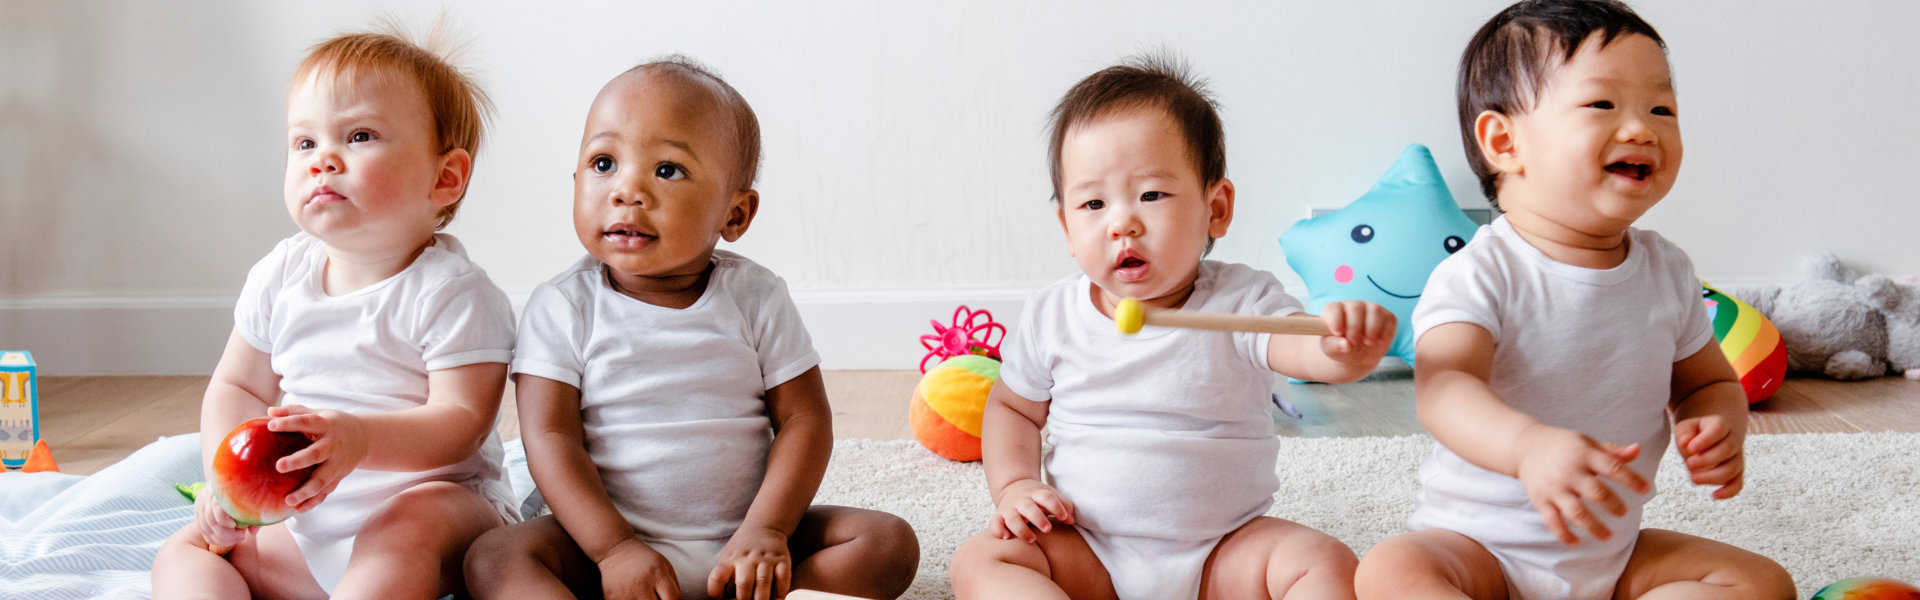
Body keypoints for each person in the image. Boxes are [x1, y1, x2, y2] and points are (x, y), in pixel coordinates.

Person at [1353, 2, 1795, 598]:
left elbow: (1705, 382)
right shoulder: (1479, 273)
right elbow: (1445, 387)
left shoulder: (1666, 270)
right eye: (1601, 104)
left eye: (1661, 108)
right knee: (1391, 571)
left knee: (1763, 583)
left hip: (1609, 555)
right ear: (1504, 142)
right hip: (1477, 550)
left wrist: (1715, 423)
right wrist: (1527, 447)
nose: (1642, 128)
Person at [462, 57, 919, 600]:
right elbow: (549, 436)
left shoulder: (756, 296)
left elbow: (804, 419)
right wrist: (614, 549)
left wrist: (767, 529)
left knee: (887, 543)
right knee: (493, 559)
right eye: (603, 163)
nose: (626, 190)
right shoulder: (563, 305)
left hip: (742, 544)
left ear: (735, 214)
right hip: (607, 546)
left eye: (668, 170)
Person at [948, 53, 1398, 600]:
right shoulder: (1053, 315)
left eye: (1151, 195)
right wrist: (1016, 485)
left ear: (1216, 208)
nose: (1122, 223)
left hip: (1224, 552)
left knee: (1322, 563)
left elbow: (1296, 346)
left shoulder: (1240, 299)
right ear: (1067, 226)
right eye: (1093, 203)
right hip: (1086, 547)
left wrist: (1343, 347)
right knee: (981, 561)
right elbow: (1015, 409)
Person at [153, 25, 518, 599]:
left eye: (360, 135)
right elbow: (237, 386)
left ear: (444, 178)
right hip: (303, 518)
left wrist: (360, 440)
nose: (322, 159)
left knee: (405, 529)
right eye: (304, 144)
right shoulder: (281, 274)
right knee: (185, 550)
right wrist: (227, 489)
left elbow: (461, 423)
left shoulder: (453, 293)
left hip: (435, 515)